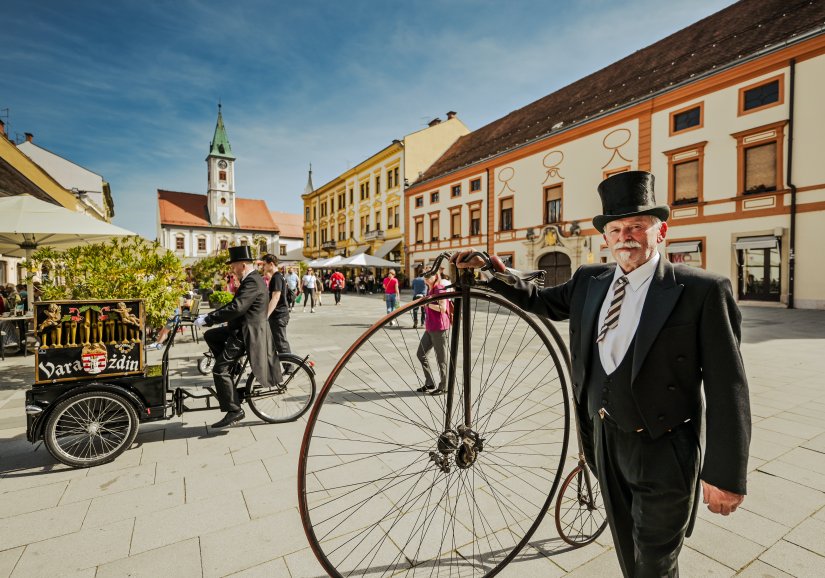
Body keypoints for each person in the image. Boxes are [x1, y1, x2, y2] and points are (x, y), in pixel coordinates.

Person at [452, 171, 751, 578]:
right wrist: (492, 270)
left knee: (655, 561)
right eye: (616, 229)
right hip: (605, 443)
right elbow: (539, 299)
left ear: (661, 231)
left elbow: (728, 384)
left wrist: (725, 473)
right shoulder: (590, 280)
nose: (626, 236)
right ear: (605, 238)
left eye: (637, 226)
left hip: (664, 451)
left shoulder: (702, 290)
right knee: (627, 546)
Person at [195, 246, 281, 428]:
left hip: (247, 332)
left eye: (233, 266)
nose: (232, 270)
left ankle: (234, 410)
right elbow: (234, 305)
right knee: (211, 335)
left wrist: (209, 319)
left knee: (219, 369)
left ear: (242, 265)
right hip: (240, 328)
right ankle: (232, 368)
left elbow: (237, 307)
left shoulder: (252, 281)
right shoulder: (251, 279)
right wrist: (208, 317)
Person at [415, 268, 452, 394]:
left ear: (435, 276)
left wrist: (427, 303)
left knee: (441, 358)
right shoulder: (430, 289)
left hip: (439, 327)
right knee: (421, 353)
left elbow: (442, 308)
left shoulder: (439, 288)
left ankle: (444, 386)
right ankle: (429, 382)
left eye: (428, 276)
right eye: (424, 276)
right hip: (430, 327)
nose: (426, 279)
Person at [261, 254, 292, 373]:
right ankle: (275, 368)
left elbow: (276, 297)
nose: (263, 267)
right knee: (276, 343)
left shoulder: (277, 277)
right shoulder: (278, 276)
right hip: (279, 314)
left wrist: (266, 315)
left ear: (271, 264)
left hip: (279, 315)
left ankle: (289, 369)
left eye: (264, 264)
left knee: (281, 343)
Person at [410, 265, 427, 329]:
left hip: (416, 296)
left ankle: (415, 322)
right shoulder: (425, 280)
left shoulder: (415, 280)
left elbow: (412, 287)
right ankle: (422, 323)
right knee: (423, 310)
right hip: (424, 296)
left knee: (415, 310)